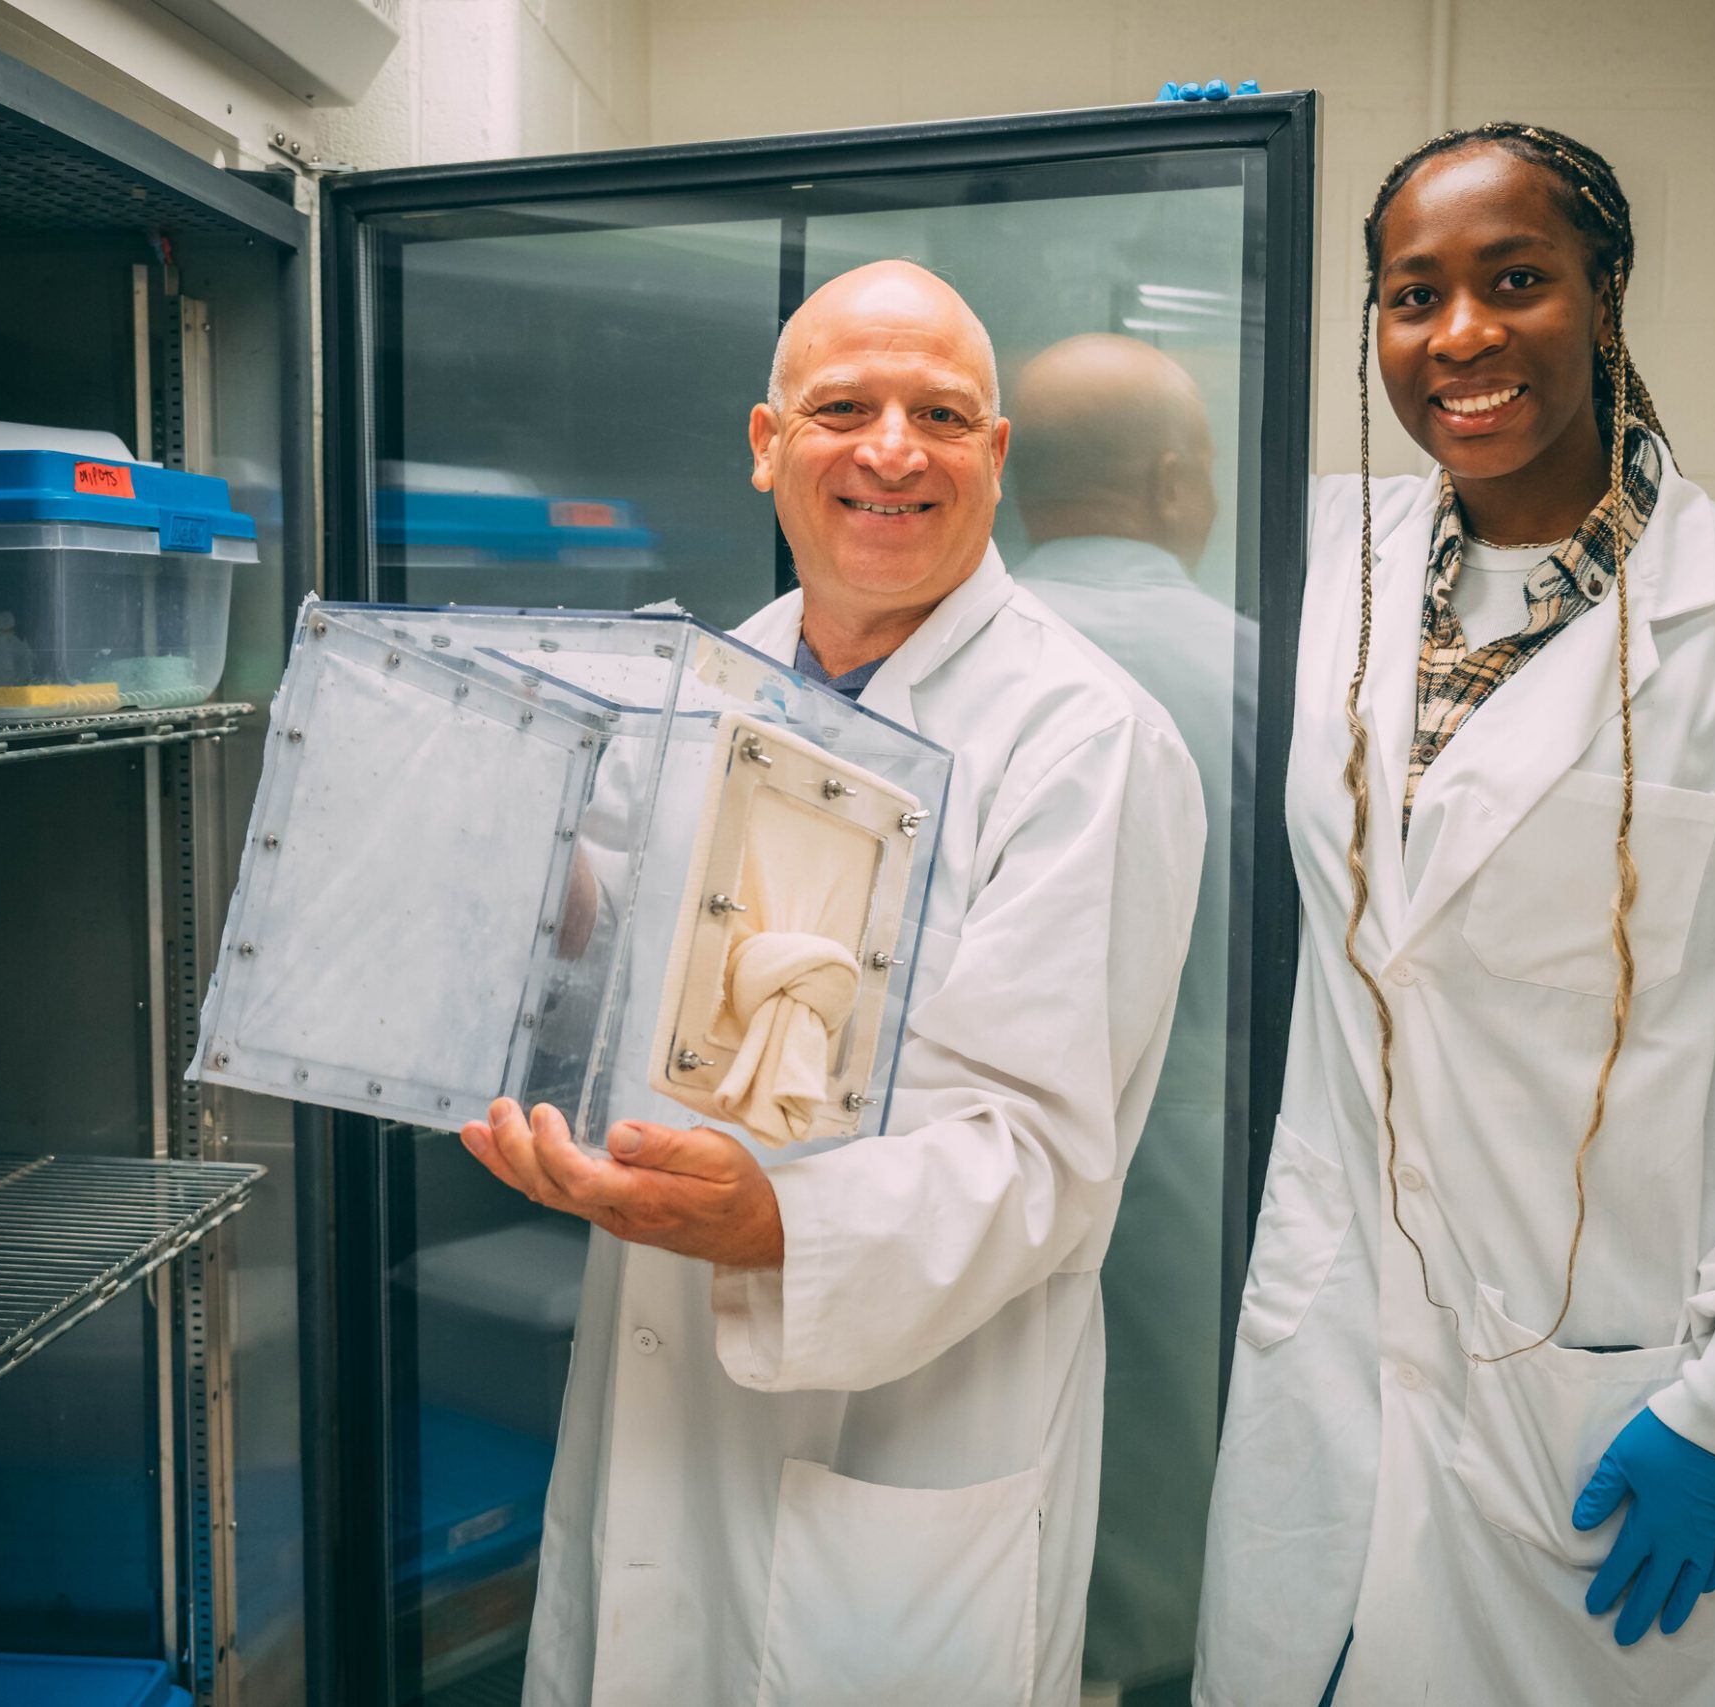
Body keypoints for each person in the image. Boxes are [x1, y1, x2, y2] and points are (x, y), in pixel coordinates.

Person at [1194, 124, 1715, 1707]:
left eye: (1517, 279)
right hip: (1339, 1348)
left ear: (1608, 294)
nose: (1461, 336)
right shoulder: (1332, 557)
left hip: (1625, 1382)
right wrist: (1199, 175)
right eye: (1413, 296)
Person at [459, 259, 1207, 1706]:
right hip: (658, 1393)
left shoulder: (1082, 739)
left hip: (908, 1424)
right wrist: (534, 877)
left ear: (995, 457)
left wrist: (778, 1229)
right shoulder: (699, 681)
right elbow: (631, 952)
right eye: (843, 407)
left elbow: (1040, 1156)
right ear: (766, 444)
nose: (889, 449)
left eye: (940, 414)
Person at [1008, 332, 1254, 1700]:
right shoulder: (1259, 673)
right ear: (1173, 484)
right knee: (1165, 1534)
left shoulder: (945, 658)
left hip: (960, 1184)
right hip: (1193, 1177)